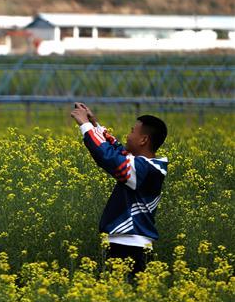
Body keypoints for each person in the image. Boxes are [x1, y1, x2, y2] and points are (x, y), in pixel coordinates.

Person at [70, 102, 168, 275]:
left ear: (144, 140)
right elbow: (117, 150)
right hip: (126, 243)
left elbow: (109, 157)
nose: (128, 136)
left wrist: (85, 126)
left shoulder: (145, 170)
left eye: (132, 131)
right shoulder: (143, 165)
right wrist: (94, 124)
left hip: (131, 247)